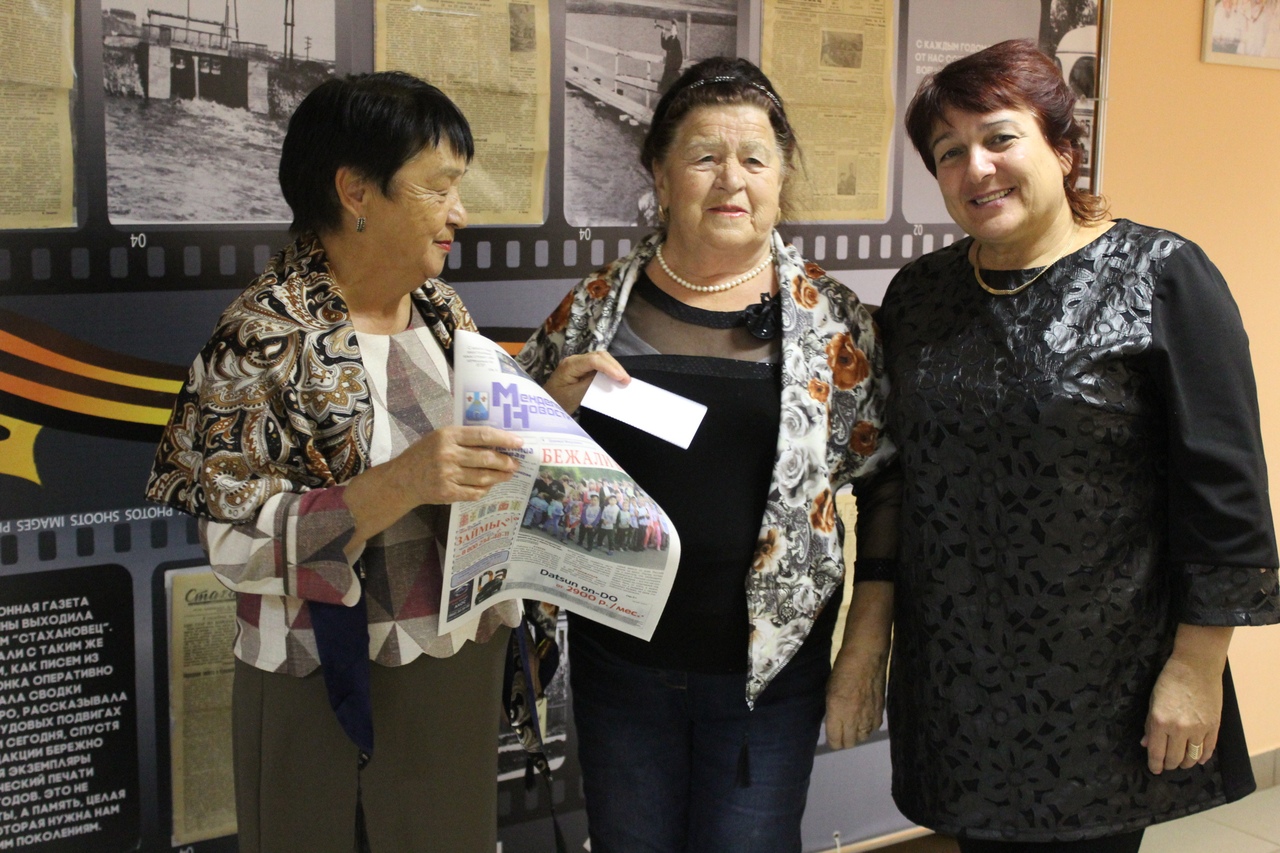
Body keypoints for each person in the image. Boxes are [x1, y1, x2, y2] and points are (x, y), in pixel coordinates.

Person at [826, 40, 1280, 853]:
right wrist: (869, 635)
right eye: (949, 152)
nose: (976, 168)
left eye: (1000, 138)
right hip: (957, 674)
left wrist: (1197, 663)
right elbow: (894, 477)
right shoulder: (921, 294)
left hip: (1103, 679)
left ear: (1064, 149)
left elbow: (1225, 489)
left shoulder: (1161, 275)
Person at [145, 72, 563, 852]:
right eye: (439, 188)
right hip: (323, 683)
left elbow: (476, 467)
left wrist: (548, 413)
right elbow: (233, 545)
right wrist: (399, 483)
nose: (460, 213)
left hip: (456, 669)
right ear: (355, 191)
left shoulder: (443, 312)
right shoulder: (261, 335)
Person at [519, 56, 898, 853]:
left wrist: (866, 643)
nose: (732, 179)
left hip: (769, 676)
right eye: (703, 157)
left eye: (755, 159)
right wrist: (549, 415)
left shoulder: (832, 320)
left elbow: (886, 482)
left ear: (781, 177)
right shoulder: (594, 309)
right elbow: (511, 459)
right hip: (620, 666)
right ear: (660, 176)